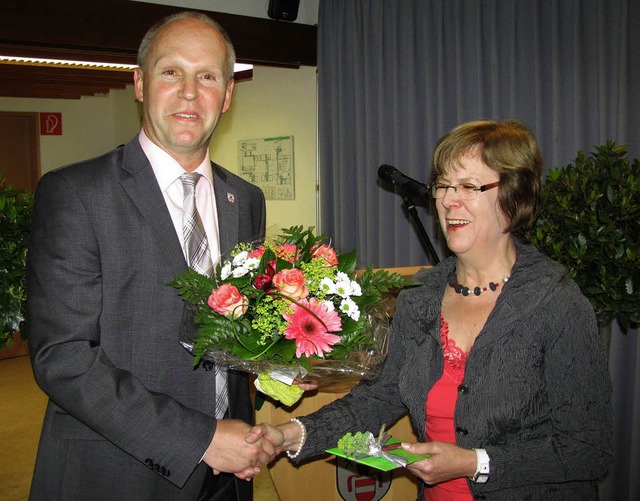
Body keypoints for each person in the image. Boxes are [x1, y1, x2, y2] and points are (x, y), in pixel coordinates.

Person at [249, 120, 614, 499]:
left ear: (513, 198)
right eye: (442, 185)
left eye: (469, 186)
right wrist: (288, 433)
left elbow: (588, 450)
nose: (447, 200)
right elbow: (379, 398)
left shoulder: (556, 304)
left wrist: (475, 462)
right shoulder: (420, 299)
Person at [26, 11, 276, 501]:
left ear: (227, 94)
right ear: (140, 84)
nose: (189, 91)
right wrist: (200, 438)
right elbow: (63, 358)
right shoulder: (75, 192)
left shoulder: (245, 199)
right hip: (117, 473)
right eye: (171, 72)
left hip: (230, 476)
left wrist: (282, 366)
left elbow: (238, 330)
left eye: (208, 76)